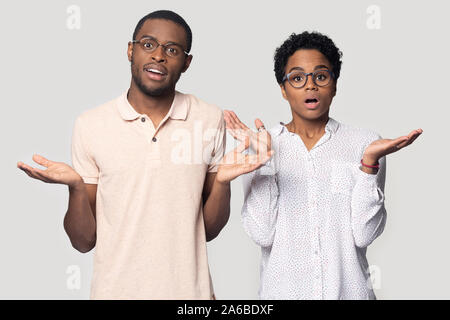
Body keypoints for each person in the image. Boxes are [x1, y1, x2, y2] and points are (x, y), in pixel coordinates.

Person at [16, 10, 270, 300]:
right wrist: (75, 187)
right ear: (130, 50)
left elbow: (208, 231)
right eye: (148, 44)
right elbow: (83, 241)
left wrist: (223, 183)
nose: (159, 56)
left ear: (186, 63)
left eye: (172, 50)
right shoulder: (91, 125)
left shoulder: (208, 118)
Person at [224, 31, 422, 300]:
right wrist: (265, 161)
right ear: (283, 89)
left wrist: (368, 165)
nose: (310, 85)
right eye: (297, 78)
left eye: (320, 76)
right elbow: (262, 233)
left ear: (335, 84)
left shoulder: (365, 143)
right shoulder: (261, 144)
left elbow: (364, 234)